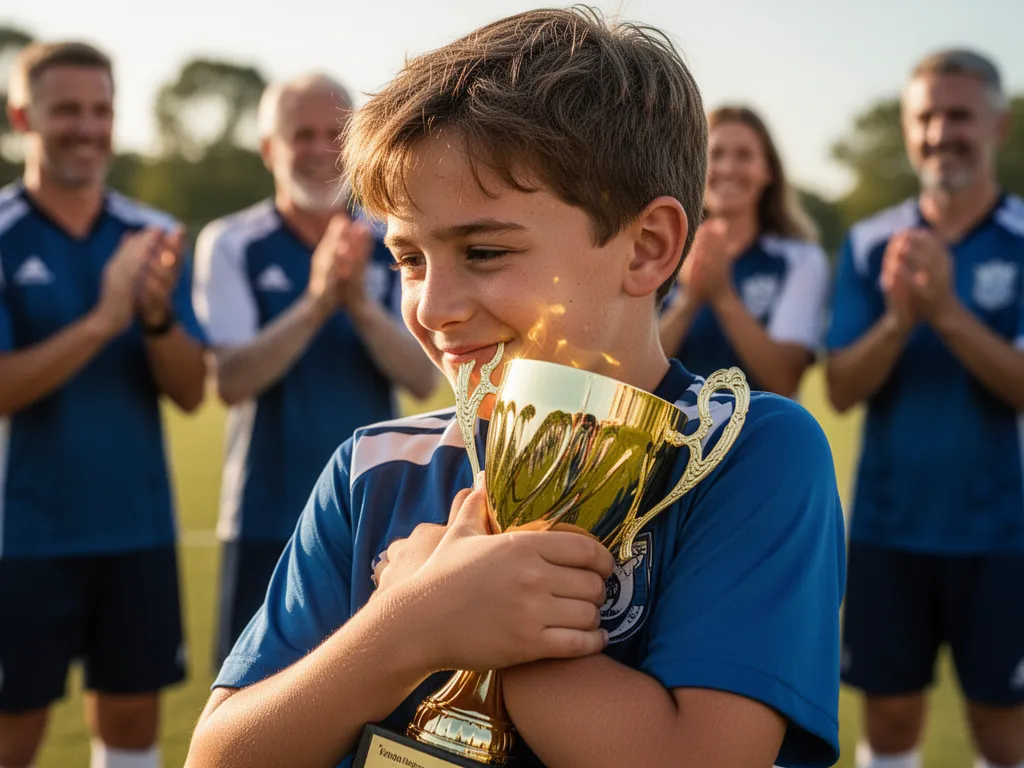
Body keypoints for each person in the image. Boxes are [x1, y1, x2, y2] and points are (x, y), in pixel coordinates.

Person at [186, 8, 846, 768]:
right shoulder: (373, 469)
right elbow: (218, 756)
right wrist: (404, 627)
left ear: (648, 248)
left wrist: (467, 619)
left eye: (485, 250)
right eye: (407, 260)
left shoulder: (743, 456)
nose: (432, 308)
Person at [0, 42, 207, 768]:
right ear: (23, 116)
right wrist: (102, 317)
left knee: (131, 732)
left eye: (101, 110)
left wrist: (154, 318)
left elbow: (189, 392)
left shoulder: (150, 236)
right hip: (20, 539)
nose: (87, 128)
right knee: (11, 736)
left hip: (136, 531)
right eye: (67, 111)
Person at [192, 73, 438, 670]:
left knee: (370, 693)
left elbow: (420, 377)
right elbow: (232, 380)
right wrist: (318, 301)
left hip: (372, 508)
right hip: (261, 511)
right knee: (255, 696)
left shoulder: (393, 239)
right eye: (300, 134)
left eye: (335, 133)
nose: (319, 149)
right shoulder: (233, 242)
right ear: (269, 149)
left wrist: (357, 305)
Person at [826, 49, 1024, 768]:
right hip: (889, 527)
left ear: (998, 125)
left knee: (1004, 731)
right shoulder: (872, 242)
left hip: (1003, 531)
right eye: (927, 117)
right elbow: (842, 389)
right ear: (910, 131)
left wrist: (945, 312)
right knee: (891, 716)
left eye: (960, 114)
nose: (943, 132)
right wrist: (899, 317)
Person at [659, 106, 829, 398]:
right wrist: (689, 301)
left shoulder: (800, 259)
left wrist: (723, 295)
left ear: (768, 171)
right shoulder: (661, 250)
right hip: (670, 439)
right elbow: (632, 374)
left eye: (744, 156)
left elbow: (785, 381)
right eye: (716, 154)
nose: (727, 169)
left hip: (761, 438)